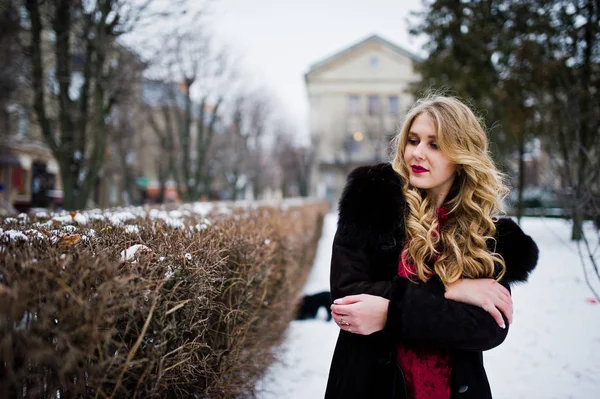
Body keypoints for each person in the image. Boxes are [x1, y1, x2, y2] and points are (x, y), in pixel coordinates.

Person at [325, 95, 539, 399]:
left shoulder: (484, 231)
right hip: (369, 383)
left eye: (434, 145)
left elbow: (488, 327)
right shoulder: (372, 200)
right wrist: (451, 290)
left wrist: (389, 312)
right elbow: (348, 297)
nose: (418, 153)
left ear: (461, 154)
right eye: (413, 141)